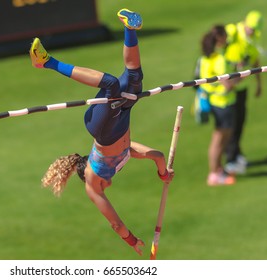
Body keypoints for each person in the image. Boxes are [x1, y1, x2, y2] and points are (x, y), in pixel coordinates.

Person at [30, 9, 174, 256]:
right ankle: (129, 27)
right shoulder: (123, 158)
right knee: (134, 78)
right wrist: (163, 173)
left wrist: (131, 240)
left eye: (103, 187)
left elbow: (114, 222)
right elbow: (158, 155)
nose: (107, 187)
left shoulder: (92, 183)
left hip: (102, 129)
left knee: (111, 84)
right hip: (121, 118)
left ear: (86, 173)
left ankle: (46, 62)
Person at [198, 25, 240, 186]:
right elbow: (228, 85)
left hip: (215, 103)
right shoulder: (220, 60)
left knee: (221, 138)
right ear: (219, 39)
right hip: (223, 103)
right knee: (219, 139)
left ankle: (217, 170)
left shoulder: (205, 58)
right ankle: (214, 174)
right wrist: (241, 75)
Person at [224, 11, 264, 175]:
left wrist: (259, 82)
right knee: (231, 125)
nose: (252, 31)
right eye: (251, 28)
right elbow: (220, 51)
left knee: (240, 122)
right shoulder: (232, 32)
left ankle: (237, 153)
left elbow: (254, 60)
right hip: (230, 88)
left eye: (255, 29)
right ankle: (230, 161)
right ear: (245, 23)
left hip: (242, 87)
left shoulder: (253, 38)